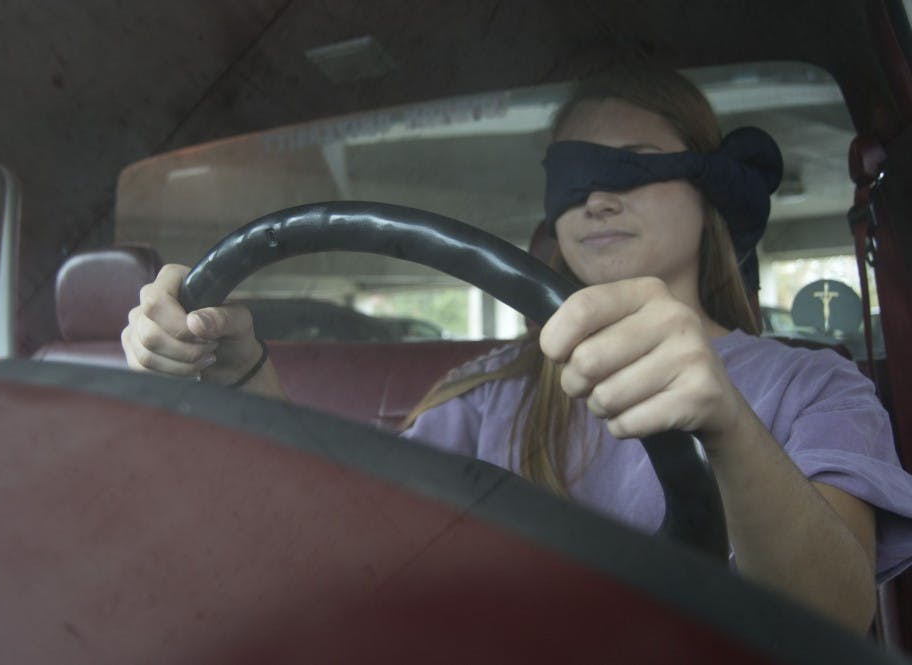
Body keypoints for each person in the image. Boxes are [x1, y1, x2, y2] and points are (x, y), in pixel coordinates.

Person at [121, 62, 912, 633]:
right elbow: (359, 530)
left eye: (634, 168)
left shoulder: (814, 386)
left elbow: (834, 618)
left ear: (709, 193)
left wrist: (729, 426)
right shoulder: (491, 391)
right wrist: (242, 374)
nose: (598, 196)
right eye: (574, 176)